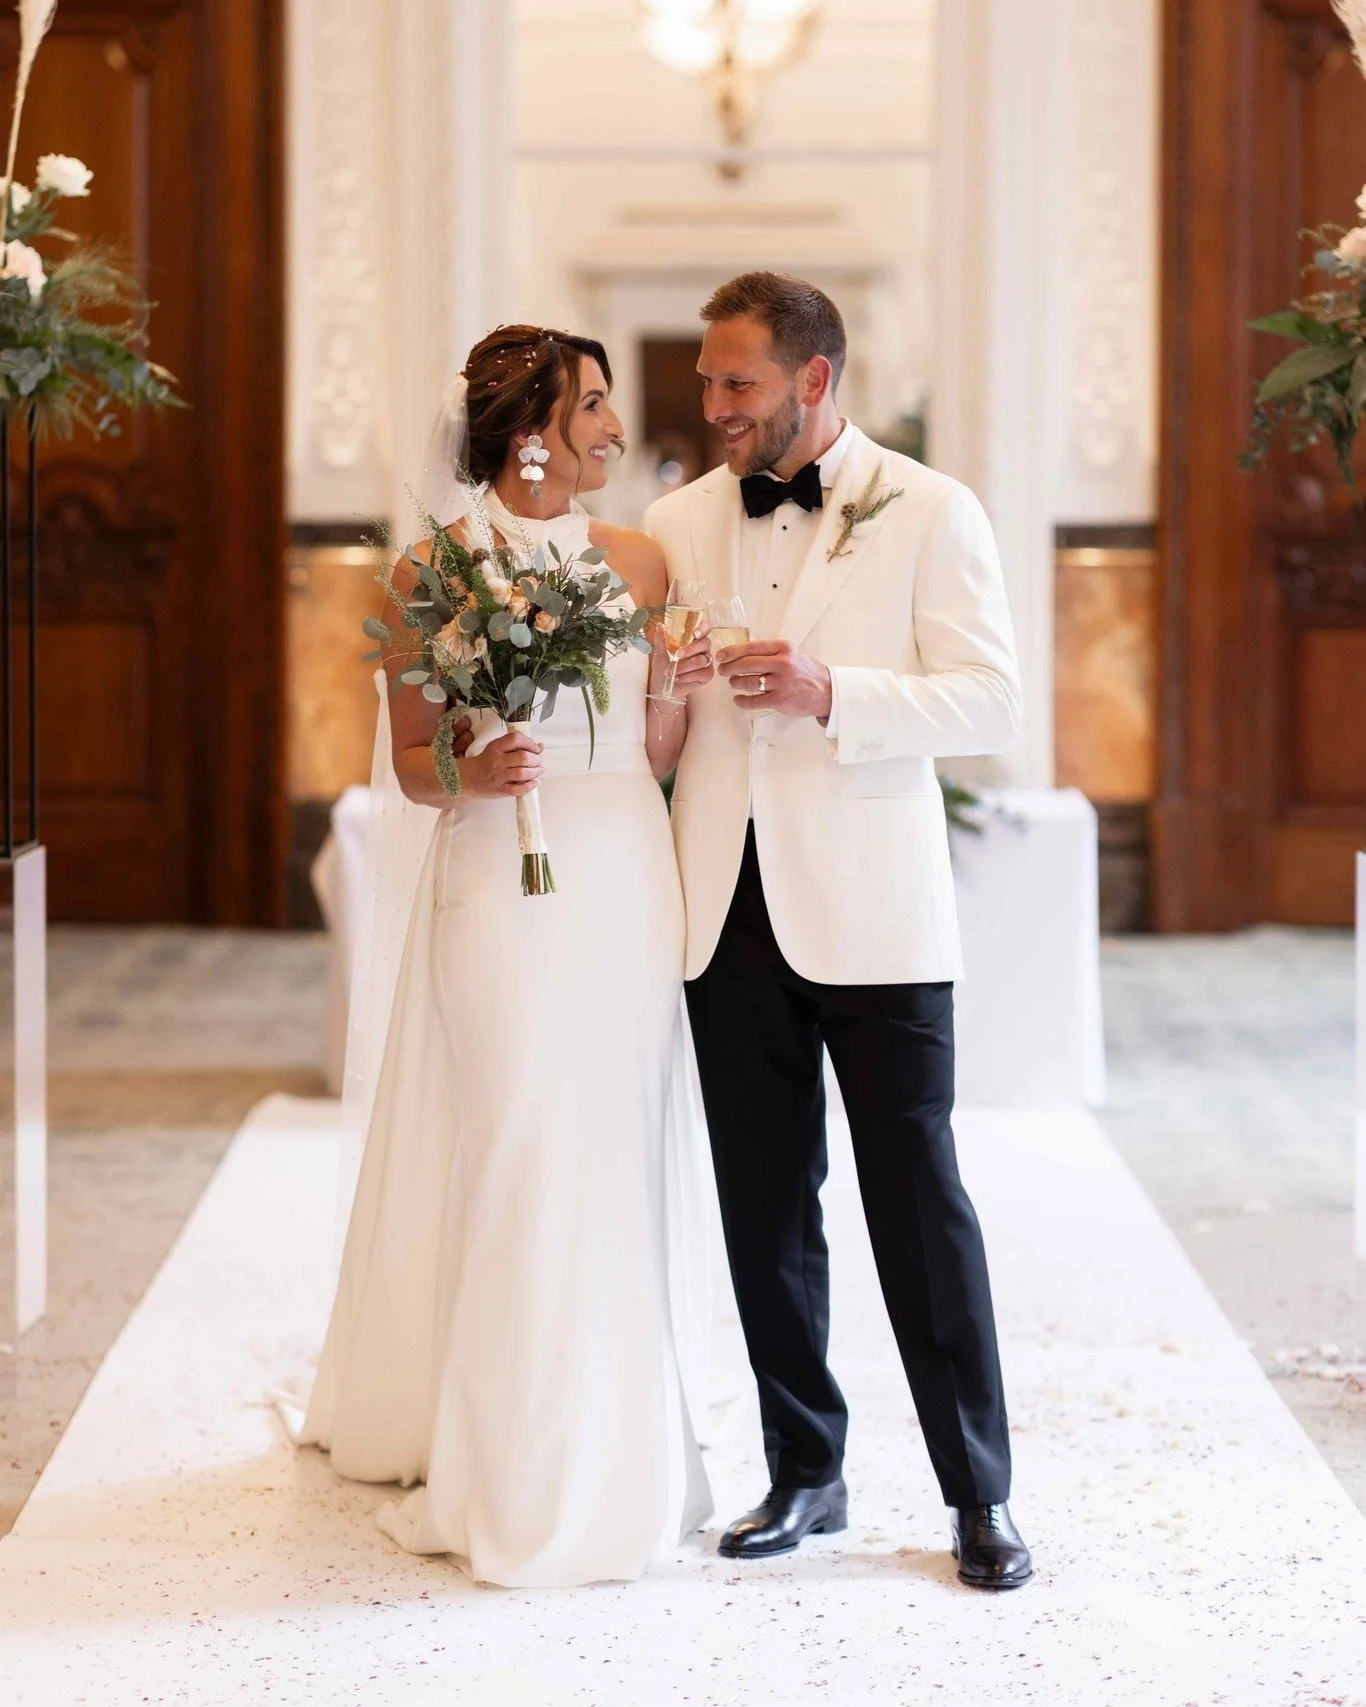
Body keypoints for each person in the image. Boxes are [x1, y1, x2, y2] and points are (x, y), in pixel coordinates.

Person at [296, 325, 717, 1588]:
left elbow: (647, 753)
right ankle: (507, 1460)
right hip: (498, 875)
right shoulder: (435, 564)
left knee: (610, 1144)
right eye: (591, 406)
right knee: (522, 1139)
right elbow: (414, 755)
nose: (613, 427)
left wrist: (679, 687)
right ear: (530, 426)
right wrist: (470, 770)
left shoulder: (639, 559)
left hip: (622, 873)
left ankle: (616, 1443)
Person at [645, 272, 1034, 1590]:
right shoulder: (676, 519)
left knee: (918, 1204)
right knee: (764, 1210)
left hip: (876, 911)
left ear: (813, 381)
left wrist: (834, 691)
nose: (712, 407)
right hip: (724, 907)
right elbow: (659, 718)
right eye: (705, 380)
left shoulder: (930, 507)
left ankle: (977, 1491)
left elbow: (988, 698)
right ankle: (803, 1469)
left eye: (736, 383)